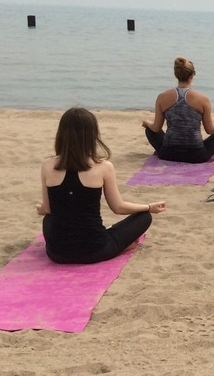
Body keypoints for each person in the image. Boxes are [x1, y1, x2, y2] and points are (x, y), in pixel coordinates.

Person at [38, 108, 167, 264]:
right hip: (95, 250)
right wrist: (148, 207)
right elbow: (118, 207)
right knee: (144, 217)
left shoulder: (47, 165)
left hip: (57, 254)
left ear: (62, 134)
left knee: (48, 219)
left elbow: (48, 209)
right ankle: (121, 246)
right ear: (92, 135)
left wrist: (41, 208)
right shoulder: (104, 167)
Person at [142, 57, 214, 163]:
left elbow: (156, 128)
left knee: (149, 130)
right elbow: (210, 130)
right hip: (196, 155)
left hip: (168, 153)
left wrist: (147, 123)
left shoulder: (162, 97)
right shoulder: (203, 99)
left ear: (176, 75)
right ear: (192, 75)